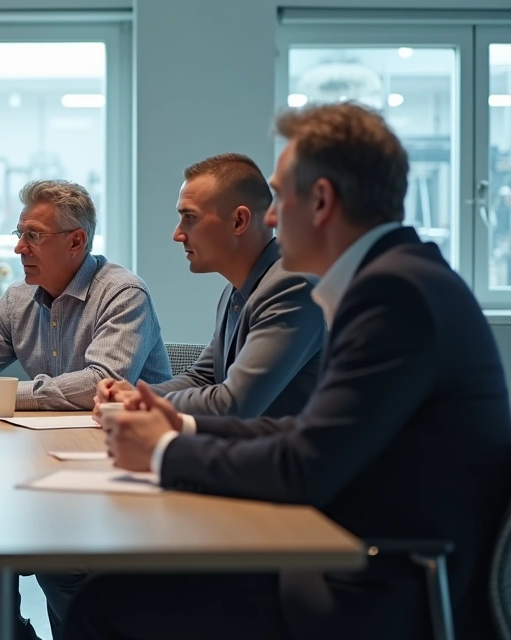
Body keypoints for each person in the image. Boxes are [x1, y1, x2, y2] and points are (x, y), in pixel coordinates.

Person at [70, 102, 511, 640]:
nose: (271, 218)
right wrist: (176, 427)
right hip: (364, 551)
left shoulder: (392, 295)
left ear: (321, 201)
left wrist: (164, 452)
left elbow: (305, 464)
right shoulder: (398, 278)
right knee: (117, 587)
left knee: (106, 601)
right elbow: (307, 432)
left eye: (281, 198)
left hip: (381, 581)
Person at [0, 179, 171, 640]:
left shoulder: (122, 293)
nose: (19, 247)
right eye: (19, 233)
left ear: (76, 240)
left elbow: (102, 381)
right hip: (39, 470)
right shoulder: (19, 298)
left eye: (33, 235)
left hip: (116, 474)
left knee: (64, 564)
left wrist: (4, 393)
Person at [97, 153, 324, 418]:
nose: (177, 234)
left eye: (190, 217)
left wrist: (143, 403)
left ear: (239, 221)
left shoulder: (292, 287)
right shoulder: (237, 289)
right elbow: (203, 378)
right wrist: (136, 395)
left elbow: (234, 403)